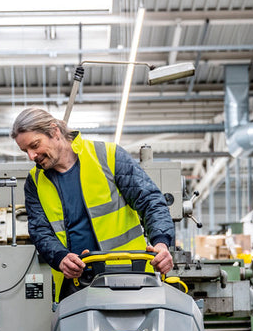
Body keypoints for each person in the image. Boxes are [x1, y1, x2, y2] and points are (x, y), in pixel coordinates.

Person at [11, 107, 175, 302]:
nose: (31, 156)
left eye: (35, 145)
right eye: (25, 151)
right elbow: (40, 230)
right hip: (75, 286)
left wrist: (161, 243)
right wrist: (60, 257)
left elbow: (150, 201)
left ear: (54, 132)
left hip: (129, 276)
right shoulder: (35, 182)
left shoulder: (108, 156)